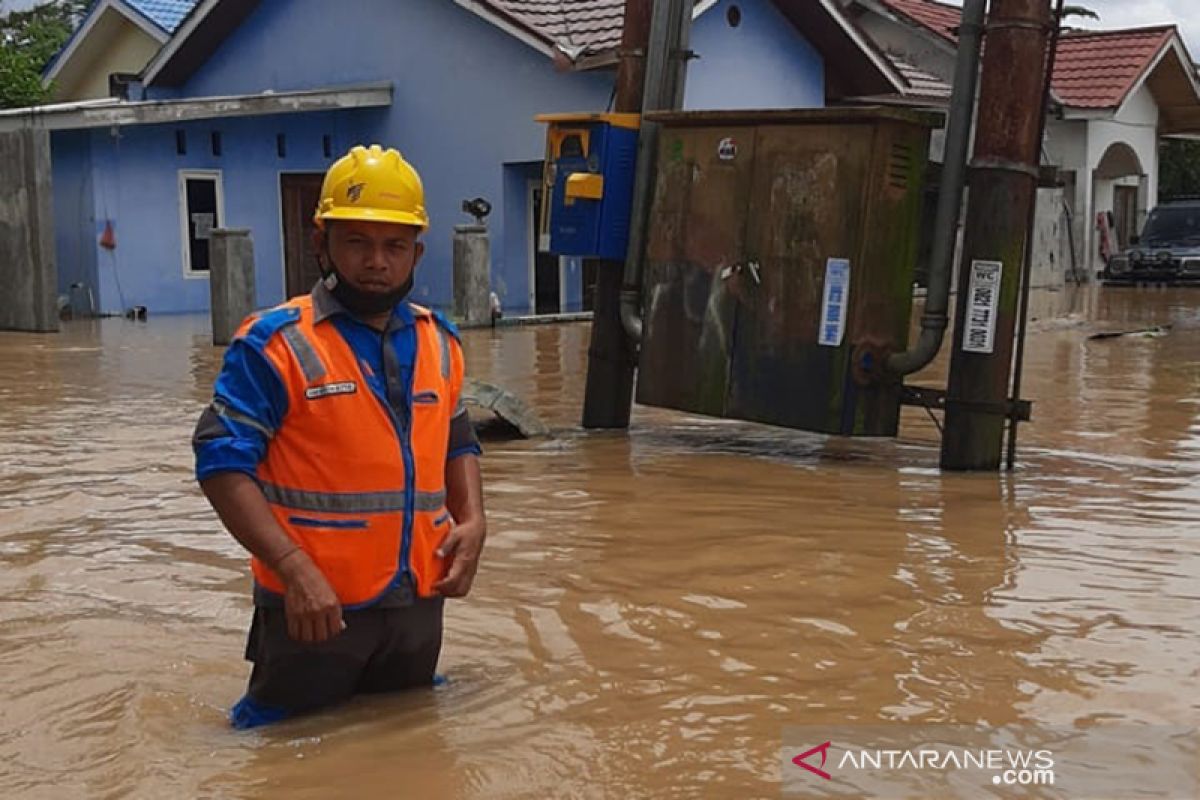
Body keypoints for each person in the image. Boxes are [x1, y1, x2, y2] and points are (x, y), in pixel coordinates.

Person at [192, 145, 486, 729]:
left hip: (417, 606)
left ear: (415, 254)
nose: (376, 261)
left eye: (393, 245)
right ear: (320, 243)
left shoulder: (440, 341)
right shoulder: (274, 343)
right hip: (314, 611)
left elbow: (457, 438)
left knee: (409, 745)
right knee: (279, 753)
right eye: (356, 242)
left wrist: (474, 520)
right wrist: (294, 569)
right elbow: (221, 463)